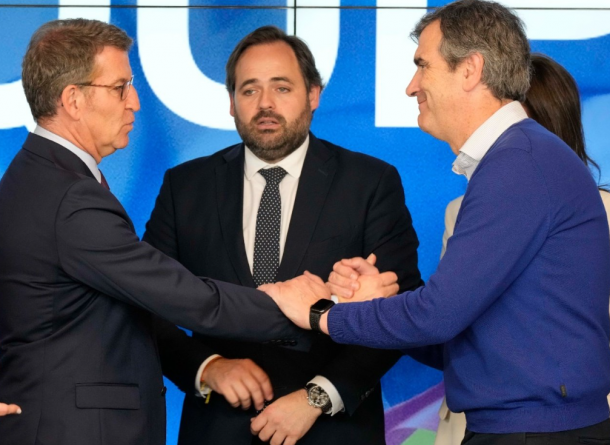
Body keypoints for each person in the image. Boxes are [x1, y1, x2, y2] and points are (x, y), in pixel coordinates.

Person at [269, 0, 610, 442]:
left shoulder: (518, 164)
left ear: (470, 70)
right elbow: (456, 340)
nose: (411, 86)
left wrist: (321, 314)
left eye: (422, 66)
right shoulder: (514, 160)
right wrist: (373, 302)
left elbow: (438, 316)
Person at [0, 19, 328, 445]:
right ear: (73, 100)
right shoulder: (70, 197)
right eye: (120, 87)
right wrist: (310, 309)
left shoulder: (35, 175)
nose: (135, 102)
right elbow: (183, 297)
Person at [143, 25, 421, 445]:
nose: (265, 104)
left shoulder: (370, 183)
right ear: (231, 103)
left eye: (282, 88)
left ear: (313, 95)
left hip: (333, 431)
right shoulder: (185, 187)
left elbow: (397, 309)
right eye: (249, 90)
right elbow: (145, 304)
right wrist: (208, 367)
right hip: (218, 428)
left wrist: (318, 397)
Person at [435, 52, 610, 445]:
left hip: (571, 420)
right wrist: (369, 304)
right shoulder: (460, 211)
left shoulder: (603, 211)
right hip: (473, 420)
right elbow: (446, 319)